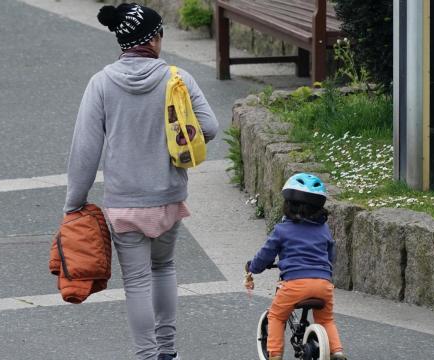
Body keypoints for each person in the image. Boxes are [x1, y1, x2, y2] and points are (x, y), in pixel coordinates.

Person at [63, 3, 218, 360]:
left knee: (136, 282)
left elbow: (85, 149)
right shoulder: (178, 79)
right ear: (155, 39)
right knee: (164, 267)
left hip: (124, 203)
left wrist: (75, 201)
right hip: (167, 196)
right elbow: (208, 127)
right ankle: (168, 352)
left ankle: (146, 356)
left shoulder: (101, 83)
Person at [244, 173, 348, 360]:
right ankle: (337, 351)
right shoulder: (324, 230)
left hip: (294, 285)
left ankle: (274, 355)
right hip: (323, 285)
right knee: (326, 319)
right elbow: (330, 255)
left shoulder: (282, 230)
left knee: (276, 316)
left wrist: (253, 267)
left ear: (288, 205)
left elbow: (266, 254)